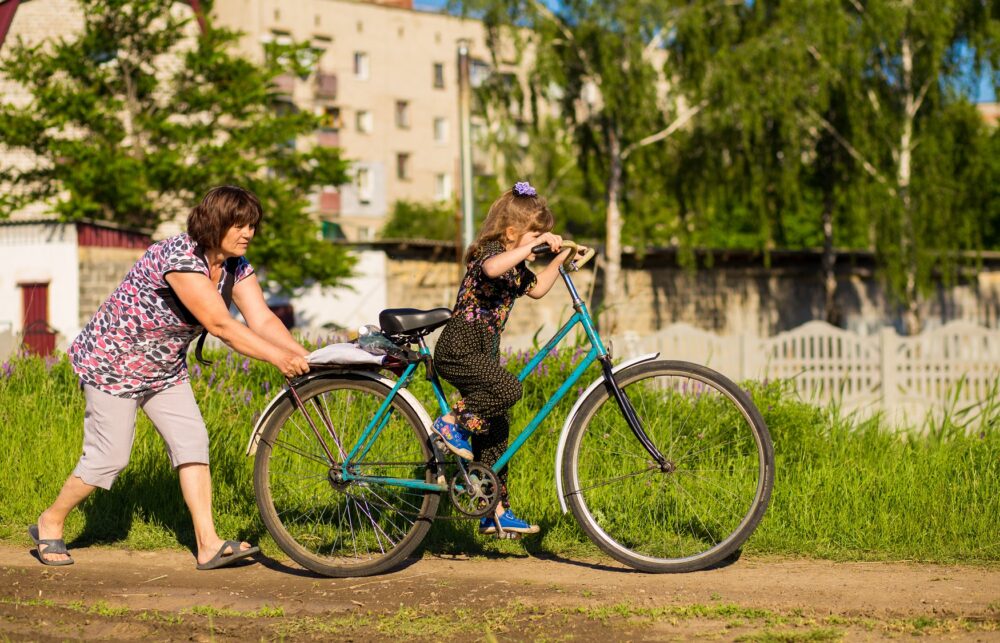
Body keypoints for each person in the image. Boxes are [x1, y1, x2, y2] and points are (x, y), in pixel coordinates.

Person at [29, 186, 311, 569]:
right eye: (240, 225)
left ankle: (208, 543)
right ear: (216, 223)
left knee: (192, 441)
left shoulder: (234, 266)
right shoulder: (179, 256)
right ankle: (51, 521)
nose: (249, 233)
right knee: (107, 458)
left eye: (252, 226)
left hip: (163, 369)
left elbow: (261, 318)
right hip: (114, 363)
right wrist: (278, 359)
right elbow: (220, 324)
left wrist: (303, 356)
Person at [432, 181, 580, 536]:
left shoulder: (515, 267)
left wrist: (561, 258)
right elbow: (491, 270)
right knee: (509, 388)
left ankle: (493, 509)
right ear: (513, 232)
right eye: (534, 235)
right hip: (459, 348)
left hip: (483, 350)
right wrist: (529, 247)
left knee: (497, 428)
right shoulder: (489, 253)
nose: (539, 242)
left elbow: (539, 289)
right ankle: (452, 422)